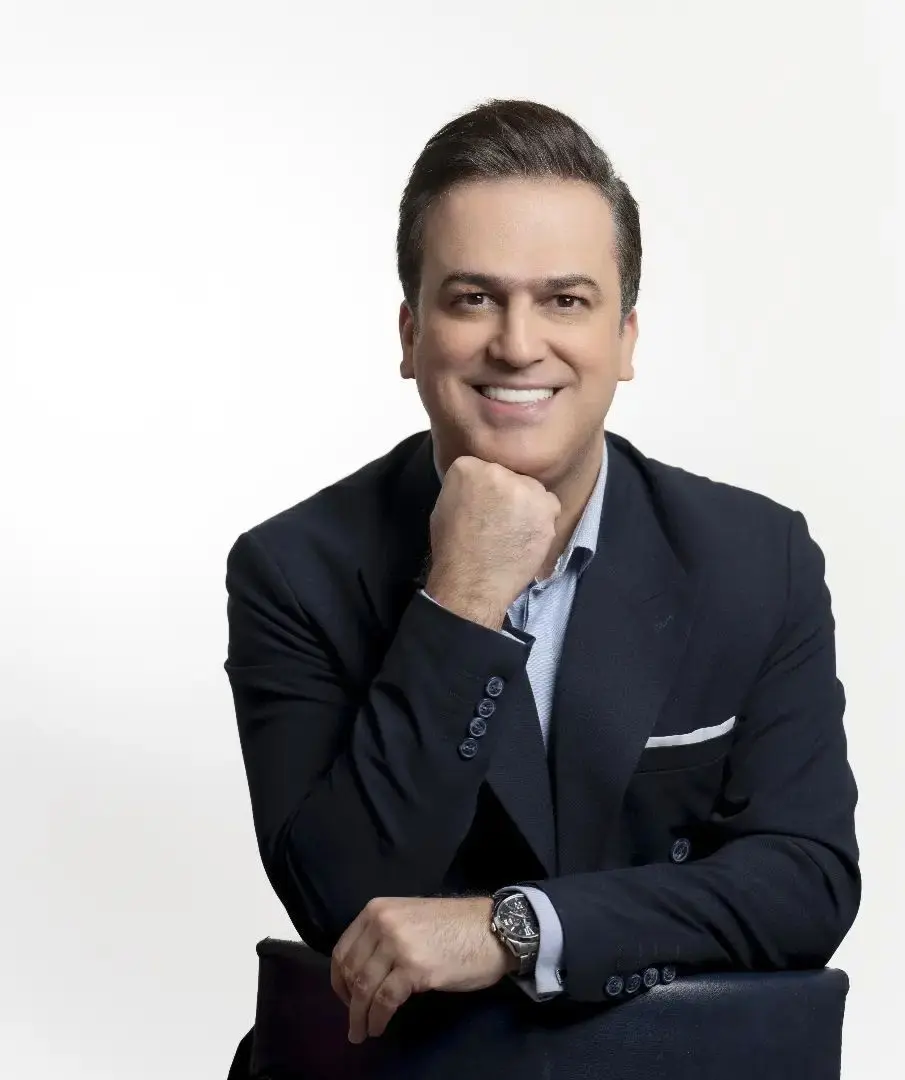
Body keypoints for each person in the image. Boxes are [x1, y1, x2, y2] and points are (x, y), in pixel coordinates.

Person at [223, 99, 860, 1062]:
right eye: (473, 298)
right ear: (410, 333)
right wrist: (462, 596)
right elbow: (340, 903)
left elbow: (807, 882)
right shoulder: (292, 570)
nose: (519, 345)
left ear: (626, 338)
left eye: (565, 300)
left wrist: (514, 926)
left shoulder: (756, 558)